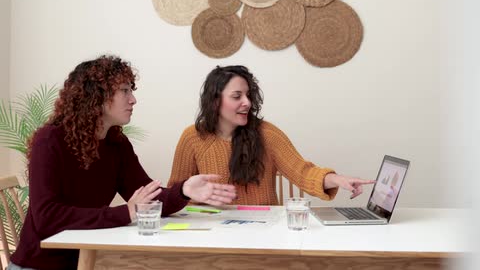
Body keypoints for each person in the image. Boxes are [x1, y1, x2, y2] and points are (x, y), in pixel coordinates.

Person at [10, 55, 236, 270]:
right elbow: (47, 218)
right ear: (97, 96)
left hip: (88, 260)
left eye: (132, 90)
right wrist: (126, 213)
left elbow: (147, 198)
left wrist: (184, 191)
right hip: (38, 264)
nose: (133, 99)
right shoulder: (50, 140)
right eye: (124, 90)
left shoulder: (116, 143)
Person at [168, 65, 374, 205]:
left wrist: (336, 179)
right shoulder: (192, 137)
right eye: (237, 96)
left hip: (263, 234)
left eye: (248, 95)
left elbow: (302, 173)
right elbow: (175, 191)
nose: (247, 102)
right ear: (215, 101)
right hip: (209, 234)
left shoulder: (267, 134)